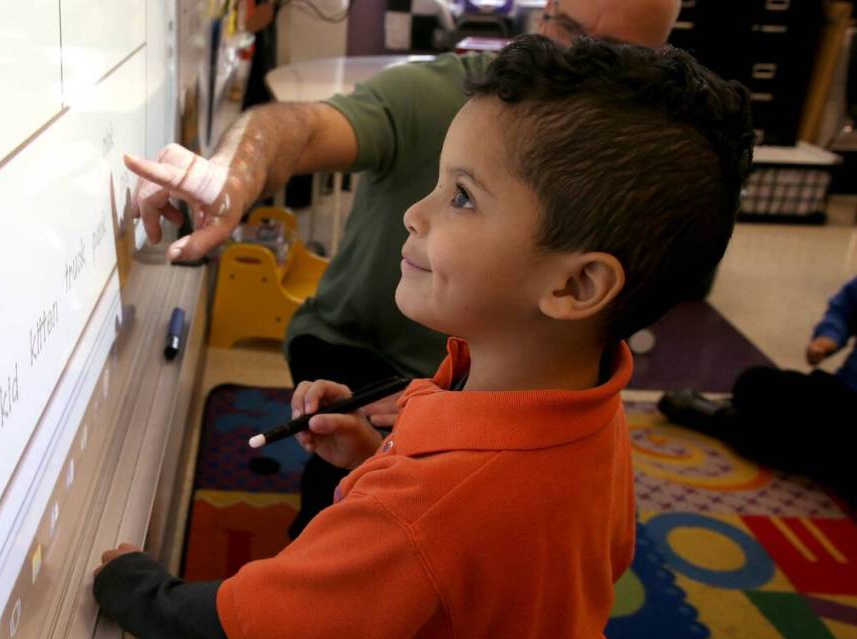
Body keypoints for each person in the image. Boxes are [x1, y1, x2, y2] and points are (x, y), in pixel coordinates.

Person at [92, 36, 754, 639]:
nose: (416, 211)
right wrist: (377, 453)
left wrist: (132, 581)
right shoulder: (593, 409)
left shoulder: (421, 513)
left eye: (462, 197)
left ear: (578, 283)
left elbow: (250, 630)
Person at [123, 0, 683, 538]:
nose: (414, 215)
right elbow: (305, 126)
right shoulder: (455, 94)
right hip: (370, 355)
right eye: (567, 32)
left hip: (469, 389)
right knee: (342, 507)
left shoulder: (636, 161)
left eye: (616, 54)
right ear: (542, 16)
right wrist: (233, 174)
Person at [658, 276, 857, 503]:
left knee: (816, 450)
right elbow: (847, 305)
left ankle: (722, 418)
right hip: (844, 394)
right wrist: (828, 337)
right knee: (754, 383)